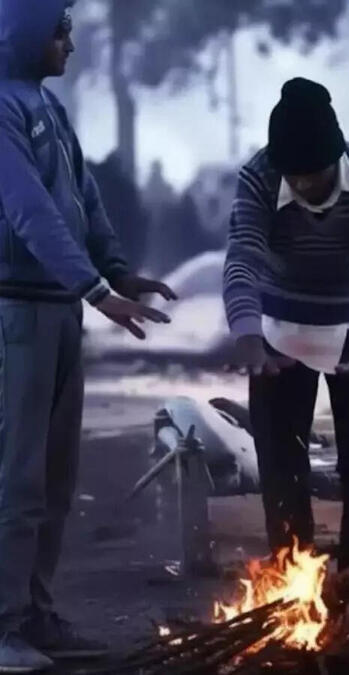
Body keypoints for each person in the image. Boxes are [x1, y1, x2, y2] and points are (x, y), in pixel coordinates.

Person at [0, 3, 175, 671]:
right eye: (59, 31)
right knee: (15, 478)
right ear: (22, 34)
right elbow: (30, 212)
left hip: (62, 312)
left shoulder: (49, 108)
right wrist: (97, 290)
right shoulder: (5, 110)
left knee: (54, 477)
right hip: (15, 316)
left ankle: (36, 613)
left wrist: (118, 270)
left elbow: (84, 199)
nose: (69, 45)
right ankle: (3, 625)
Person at [223, 77, 349, 595]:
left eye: (314, 175)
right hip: (280, 326)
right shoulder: (258, 177)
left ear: (337, 156)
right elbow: (242, 259)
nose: (302, 186)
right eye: (293, 177)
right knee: (281, 464)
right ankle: (289, 581)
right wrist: (248, 338)